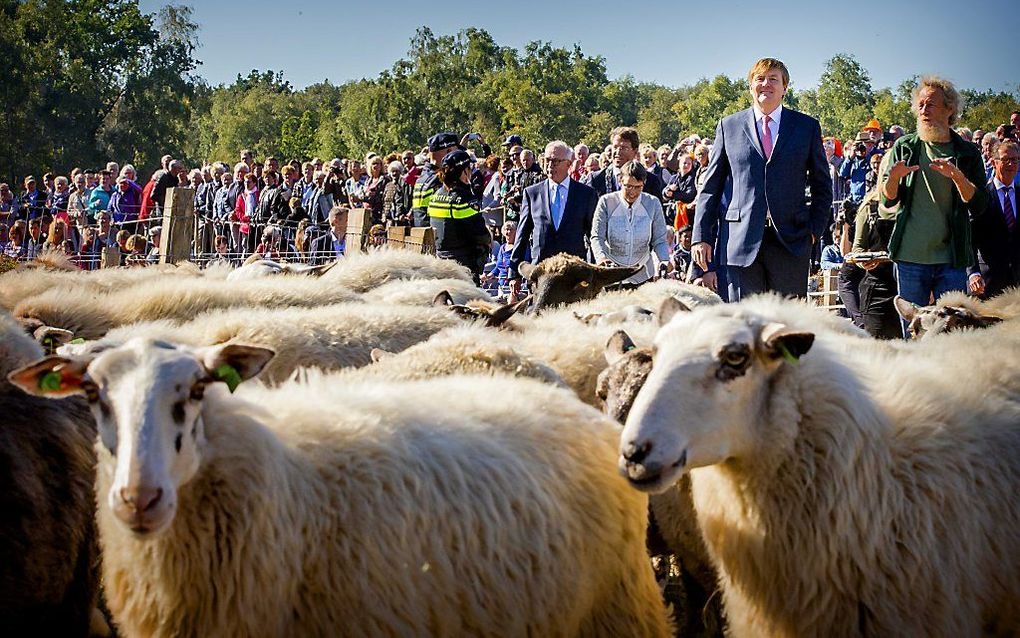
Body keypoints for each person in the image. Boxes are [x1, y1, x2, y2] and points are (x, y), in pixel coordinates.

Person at [692, 57, 832, 300]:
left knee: (788, 326)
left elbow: (822, 185)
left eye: (773, 79)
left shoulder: (806, 127)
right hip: (740, 241)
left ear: (785, 88)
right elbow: (710, 188)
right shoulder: (729, 126)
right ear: (750, 86)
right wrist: (701, 237)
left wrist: (813, 231)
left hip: (791, 241)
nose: (766, 84)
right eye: (760, 79)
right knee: (746, 326)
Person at [880, 76, 988, 329]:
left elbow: (980, 205)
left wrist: (958, 178)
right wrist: (893, 178)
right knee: (914, 331)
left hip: (952, 260)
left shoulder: (968, 153)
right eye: (920, 105)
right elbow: (887, 198)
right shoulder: (905, 147)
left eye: (930, 105)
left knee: (950, 333)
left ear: (949, 109)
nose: (923, 110)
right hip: (909, 257)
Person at [509, 141, 599, 296]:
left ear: (569, 164)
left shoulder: (586, 194)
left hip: (573, 274)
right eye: (547, 160)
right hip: (541, 274)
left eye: (556, 161)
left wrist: (593, 269)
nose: (550, 165)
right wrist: (514, 273)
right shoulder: (532, 193)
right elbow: (522, 235)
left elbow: (593, 236)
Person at [591, 160, 671, 284]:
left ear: (644, 184)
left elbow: (659, 240)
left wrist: (664, 260)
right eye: (628, 186)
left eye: (638, 187)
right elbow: (597, 237)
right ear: (620, 181)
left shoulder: (653, 203)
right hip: (612, 274)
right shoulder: (606, 202)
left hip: (643, 273)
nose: (632, 192)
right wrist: (601, 258)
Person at [427, 150, 491, 281]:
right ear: (464, 171)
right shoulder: (464, 198)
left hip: (440, 259)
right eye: (470, 168)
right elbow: (480, 233)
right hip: (463, 264)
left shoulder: (436, 195)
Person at [969, 140, 1020, 298]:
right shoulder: (981, 196)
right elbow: (969, 239)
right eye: (1005, 159)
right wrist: (973, 273)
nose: (1011, 164)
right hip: (988, 281)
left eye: (1015, 159)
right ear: (993, 162)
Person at [588, 127, 664, 200]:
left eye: (624, 148)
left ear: (635, 151)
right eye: (615, 147)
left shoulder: (650, 181)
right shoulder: (596, 179)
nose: (618, 152)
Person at [412, 133, 460, 227]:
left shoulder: (423, 176)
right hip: (435, 235)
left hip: (423, 233)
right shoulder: (439, 179)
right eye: (457, 153)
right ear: (449, 152)